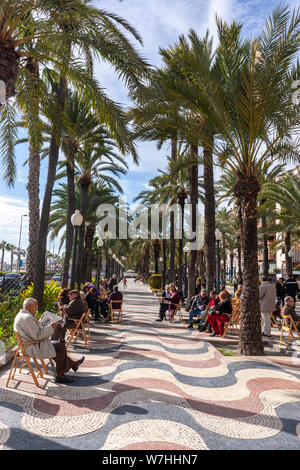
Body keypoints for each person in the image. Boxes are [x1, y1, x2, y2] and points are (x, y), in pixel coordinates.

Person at [14, 298, 85, 384]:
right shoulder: (27, 317)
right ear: (29, 306)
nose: (37, 308)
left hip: (30, 344)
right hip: (32, 346)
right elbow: (37, 335)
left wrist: (42, 322)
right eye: (36, 305)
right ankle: (61, 375)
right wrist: (52, 327)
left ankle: (72, 365)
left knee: (57, 347)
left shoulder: (22, 315)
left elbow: (33, 331)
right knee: (60, 347)